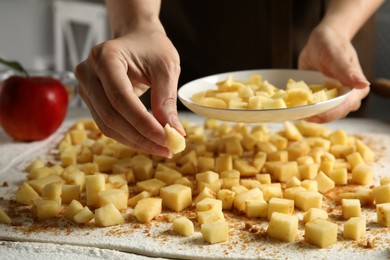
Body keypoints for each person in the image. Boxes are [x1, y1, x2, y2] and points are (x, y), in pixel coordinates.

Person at [74, 0, 384, 158]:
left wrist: (338, 27)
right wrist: (136, 24)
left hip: (331, 23)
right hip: (195, 38)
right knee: (169, 128)